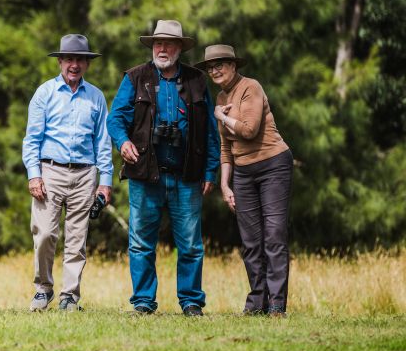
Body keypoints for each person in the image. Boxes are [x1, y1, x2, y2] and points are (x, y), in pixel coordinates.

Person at [107, 20, 220, 316]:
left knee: (191, 244)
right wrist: (123, 143)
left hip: (187, 174)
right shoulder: (135, 77)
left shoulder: (197, 80)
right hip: (146, 174)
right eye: (158, 43)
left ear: (180, 48)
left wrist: (210, 171)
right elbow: (115, 119)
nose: (162, 48)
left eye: (169, 43)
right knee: (141, 242)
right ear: (152, 47)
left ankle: (191, 301)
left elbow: (210, 131)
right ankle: (143, 301)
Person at [195, 44, 293, 317]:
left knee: (273, 236)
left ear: (233, 66)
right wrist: (225, 184)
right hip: (243, 173)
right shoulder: (220, 99)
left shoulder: (251, 87)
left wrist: (222, 116)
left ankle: (276, 304)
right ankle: (257, 302)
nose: (214, 70)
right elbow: (227, 148)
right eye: (210, 67)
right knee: (250, 241)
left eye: (220, 65)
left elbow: (249, 131)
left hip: (273, 165)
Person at [23, 34, 113, 312]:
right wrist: (34, 174)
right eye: (70, 59)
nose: (74, 65)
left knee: (77, 237)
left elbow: (103, 142)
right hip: (50, 170)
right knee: (46, 233)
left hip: (85, 174)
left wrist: (105, 182)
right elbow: (32, 139)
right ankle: (43, 289)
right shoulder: (45, 93)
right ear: (60, 61)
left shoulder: (96, 96)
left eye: (80, 60)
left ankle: (69, 295)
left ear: (87, 64)